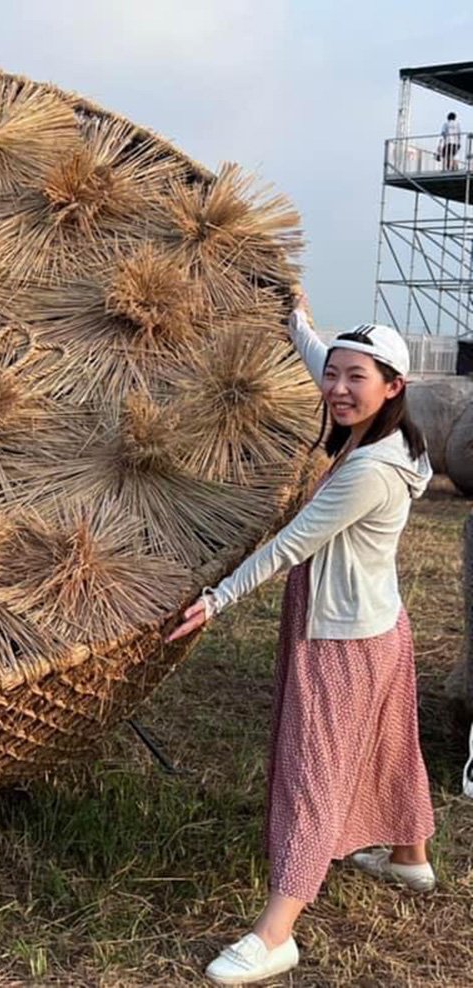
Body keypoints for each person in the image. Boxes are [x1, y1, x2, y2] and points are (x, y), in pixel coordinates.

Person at [166, 291, 436, 985]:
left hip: (341, 641)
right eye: (333, 374)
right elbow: (330, 359)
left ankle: (275, 932)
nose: (338, 389)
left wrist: (217, 597)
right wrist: (298, 322)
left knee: (313, 773)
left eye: (357, 379)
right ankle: (409, 856)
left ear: (393, 387)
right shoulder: (393, 434)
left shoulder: (371, 470)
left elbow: (290, 545)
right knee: (386, 743)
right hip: (382, 625)